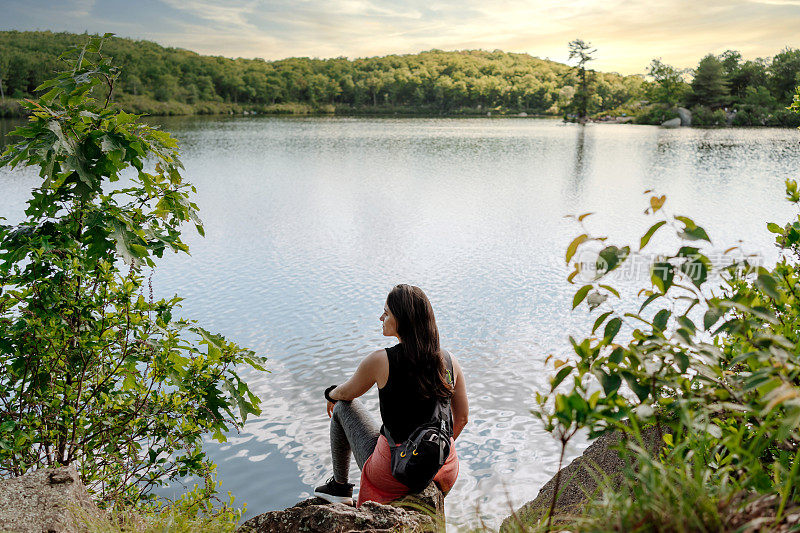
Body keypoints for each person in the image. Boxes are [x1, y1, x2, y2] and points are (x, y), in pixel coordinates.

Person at [314, 284, 469, 506]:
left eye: (386, 313)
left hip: (395, 472)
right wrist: (429, 455)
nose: (381, 318)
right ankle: (427, 464)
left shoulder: (380, 361)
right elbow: (462, 418)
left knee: (341, 408)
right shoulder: (449, 360)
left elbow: (346, 394)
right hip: (444, 467)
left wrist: (330, 393)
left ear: (402, 319)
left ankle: (339, 488)